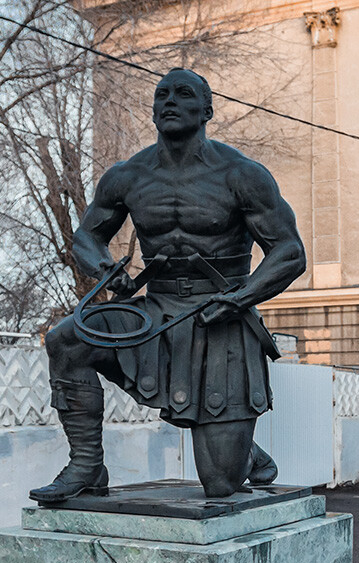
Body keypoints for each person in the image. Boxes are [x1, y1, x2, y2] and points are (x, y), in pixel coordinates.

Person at [29, 68, 306, 503]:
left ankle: (242, 453)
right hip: (156, 309)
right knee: (66, 340)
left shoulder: (242, 174)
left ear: (207, 110)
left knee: (219, 484)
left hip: (221, 317)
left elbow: (289, 252)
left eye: (183, 94)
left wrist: (241, 298)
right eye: (162, 95)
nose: (170, 102)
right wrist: (106, 268)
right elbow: (86, 235)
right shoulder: (128, 176)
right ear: (154, 111)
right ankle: (87, 464)